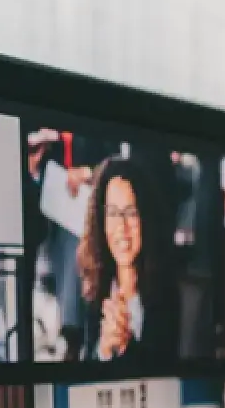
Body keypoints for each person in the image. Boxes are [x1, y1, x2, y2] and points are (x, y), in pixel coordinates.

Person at [77, 156, 180, 367]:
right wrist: (104, 349)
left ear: (145, 218)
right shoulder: (91, 292)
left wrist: (126, 345)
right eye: (113, 213)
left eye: (131, 213)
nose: (122, 228)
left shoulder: (169, 293)